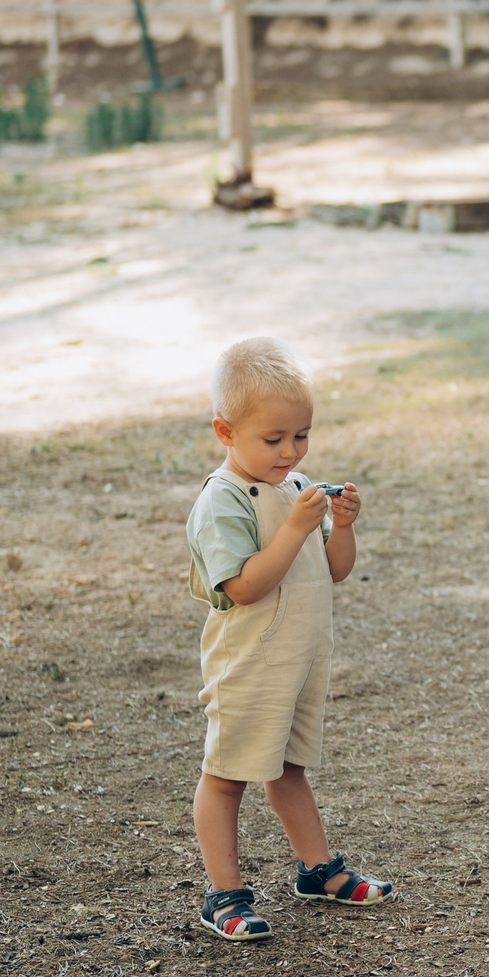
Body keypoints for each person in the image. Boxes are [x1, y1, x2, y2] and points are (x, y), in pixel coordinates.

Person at [183, 336, 394, 943]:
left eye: (300, 435)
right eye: (272, 439)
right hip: (249, 661)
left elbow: (333, 568)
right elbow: (245, 586)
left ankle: (317, 871)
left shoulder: (294, 485)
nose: (290, 450)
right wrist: (297, 526)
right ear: (225, 431)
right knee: (227, 774)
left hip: (299, 659)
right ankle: (223, 894)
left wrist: (341, 527)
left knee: (289, 768)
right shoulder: (220, 501)